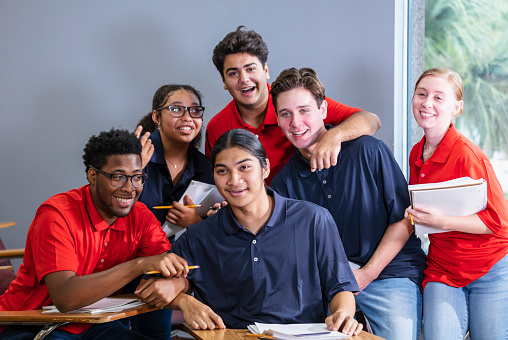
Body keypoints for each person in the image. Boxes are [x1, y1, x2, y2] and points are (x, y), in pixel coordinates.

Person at [135, 129, 363, 337]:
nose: (234, 181)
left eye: (245, 167)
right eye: (222, 171)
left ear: (265, 168)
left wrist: (343, 313)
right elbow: (151, 286)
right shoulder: (199, 236)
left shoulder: (314, 219)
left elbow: (340, 286)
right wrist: (185, 302)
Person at [269, 67, 426, 340]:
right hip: (330, 286)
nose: (295, 122)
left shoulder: (369, 151)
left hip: (390, 273)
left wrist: (366, 274)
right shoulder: (283, 184)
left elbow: (404, 219)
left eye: (304, 110)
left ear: (324, 110)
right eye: (286, 114)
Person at [0, 128, 189, 340]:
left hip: (93, 326)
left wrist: (179, 285)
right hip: (30, 325)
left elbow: (170, 268)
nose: (130, 188)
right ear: (92, 175)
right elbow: (65, 299)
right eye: (118, 177)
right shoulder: (56, 215)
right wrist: (140, 265)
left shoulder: (141, 216)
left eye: (137, 177)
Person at [404, 67, 508, 340]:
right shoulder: (418, 152)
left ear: (457, 107)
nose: (427, 103)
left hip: (490, 267)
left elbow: (497, 223)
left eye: (439, 97)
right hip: (444, 268)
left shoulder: (468, 155)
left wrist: (438, 221)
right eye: (422, 94)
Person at [206, 26, 381, 184]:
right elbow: (217, 181)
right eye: (233, 73)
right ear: (223, 80)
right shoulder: (217, 127)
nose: (244, 79)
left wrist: (334, 136)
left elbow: (371, 120)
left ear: (265, 71)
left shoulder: (294, 101)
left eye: (250, 69)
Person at [127, 84, 214, 339]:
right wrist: (135, 171)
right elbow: (105, 206)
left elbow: (216, 227)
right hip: (121, 263)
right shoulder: (133, 153)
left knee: (155, 334)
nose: (188, 117)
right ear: (157, 116)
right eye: (176, 109)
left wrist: (196, 220)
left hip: (170, 269)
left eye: (195, 110)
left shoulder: (206, 167)